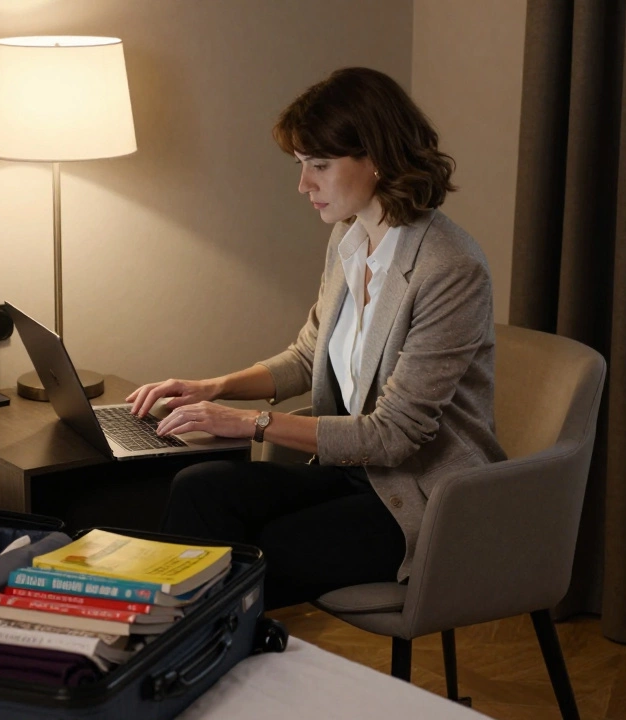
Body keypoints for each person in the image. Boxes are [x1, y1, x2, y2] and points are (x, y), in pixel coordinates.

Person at [127, 67, 507, 610]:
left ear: (376, 158)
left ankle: (198, 647)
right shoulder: (350, 238)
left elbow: (394, 436)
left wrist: (249, 422)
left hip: (418, 495)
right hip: (353, 474)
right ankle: (182, 645)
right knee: (199, 488)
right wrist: (212, 388)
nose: (304, 184)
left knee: (256, 553)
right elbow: (309, 356)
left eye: (320, 165)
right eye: (301, 164)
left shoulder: (449, 267)